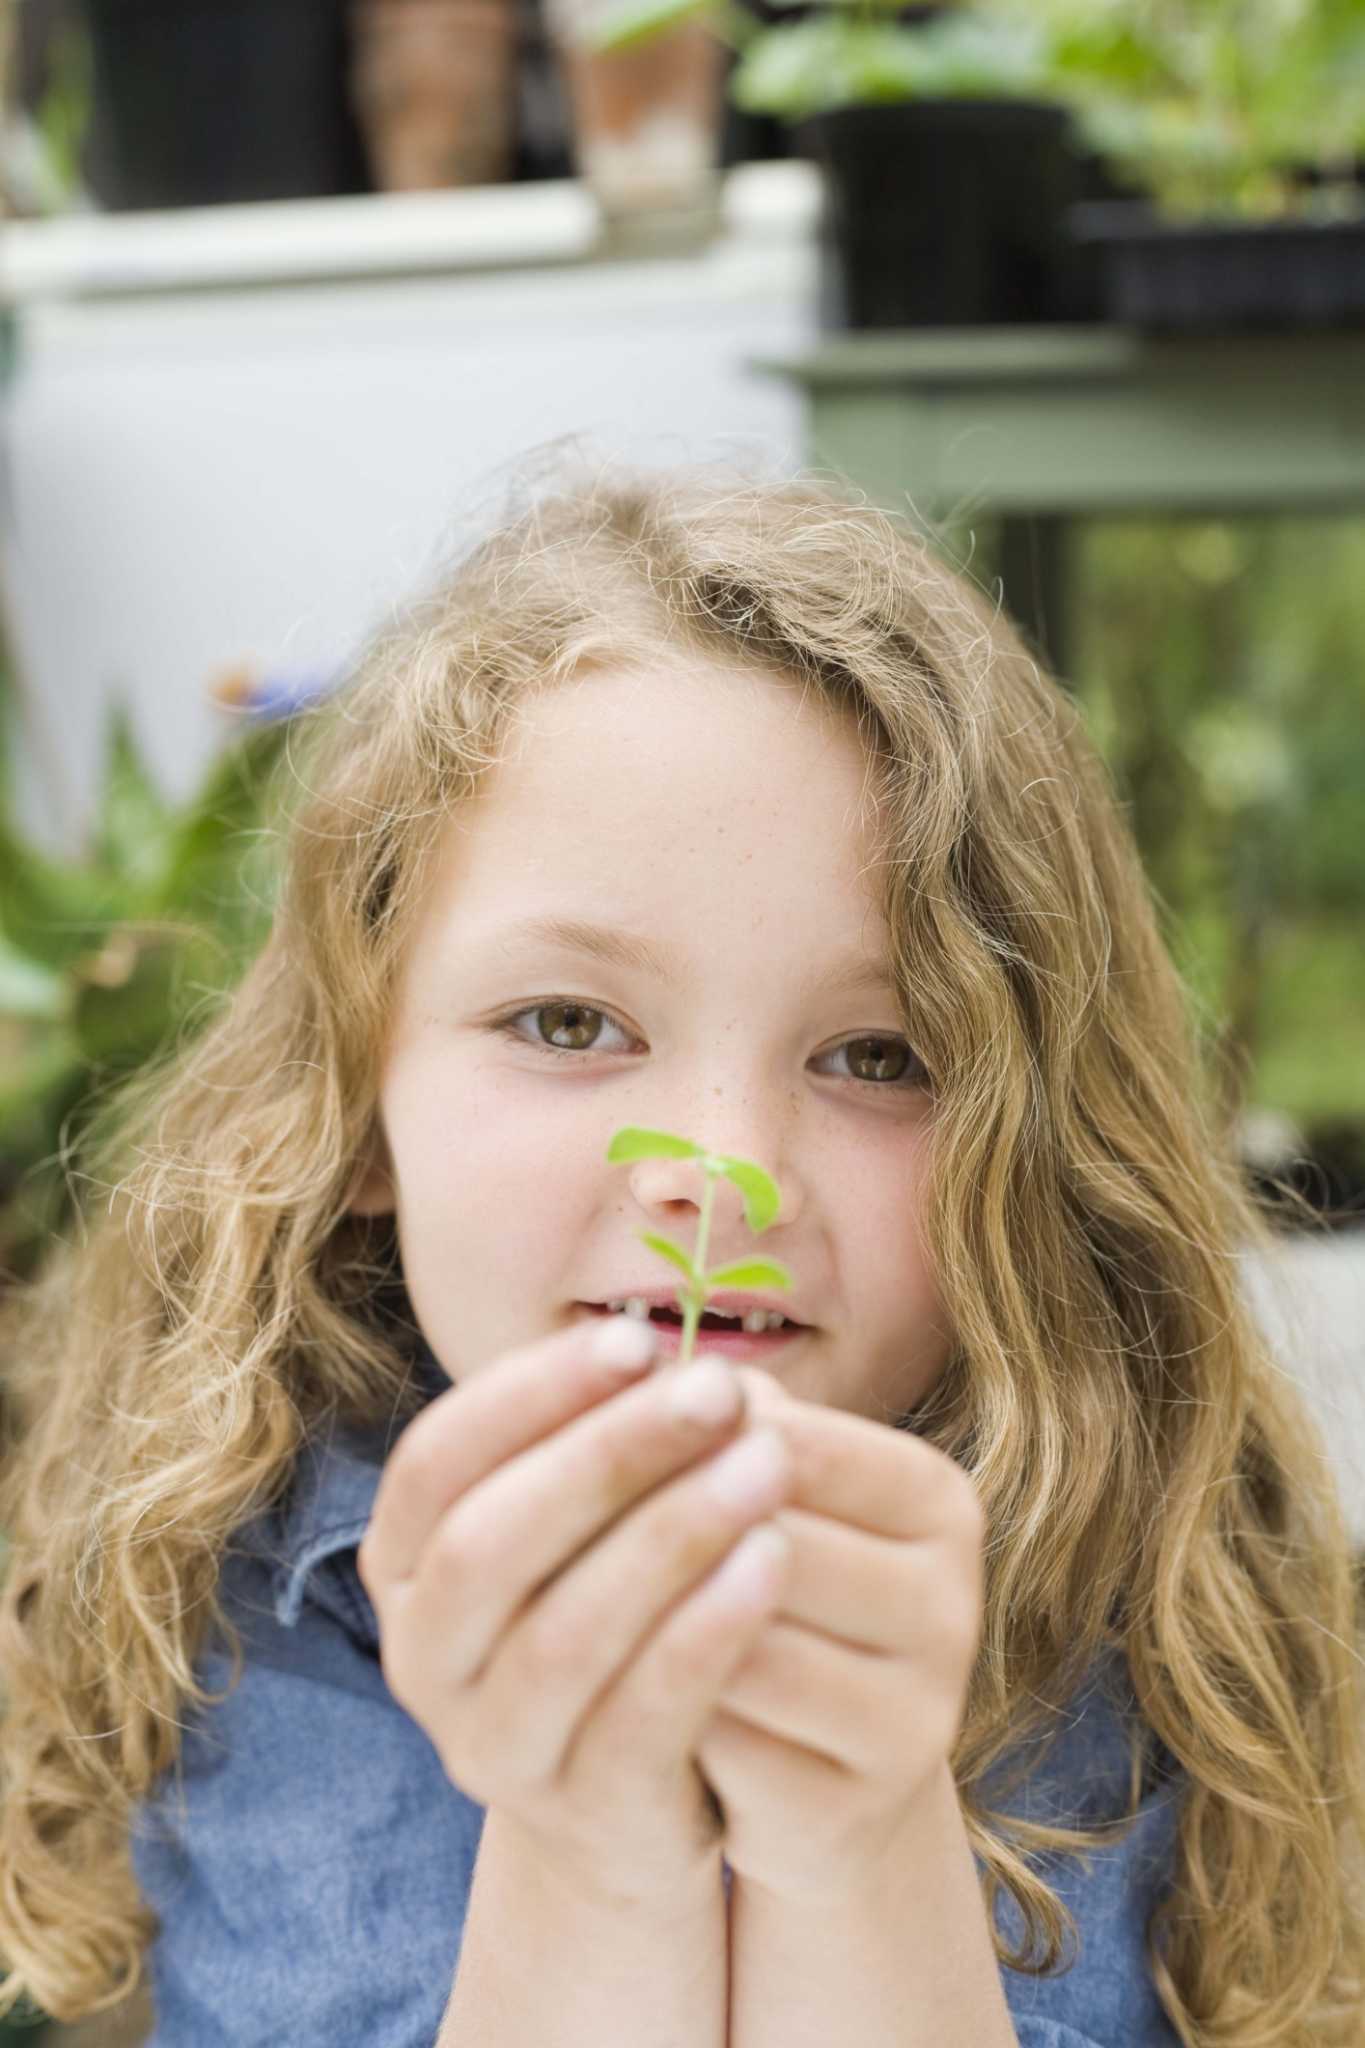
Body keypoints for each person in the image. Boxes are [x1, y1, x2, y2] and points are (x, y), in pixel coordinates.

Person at [0, 454, 1361, 2047]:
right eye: (569, 1023)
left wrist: (861, 1838)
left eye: (879, 1056)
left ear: (1041, 1149)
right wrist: (586, 1835)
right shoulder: (241, 1595)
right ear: (356, 1107)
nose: (720, 1180)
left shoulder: (1124, 1566)